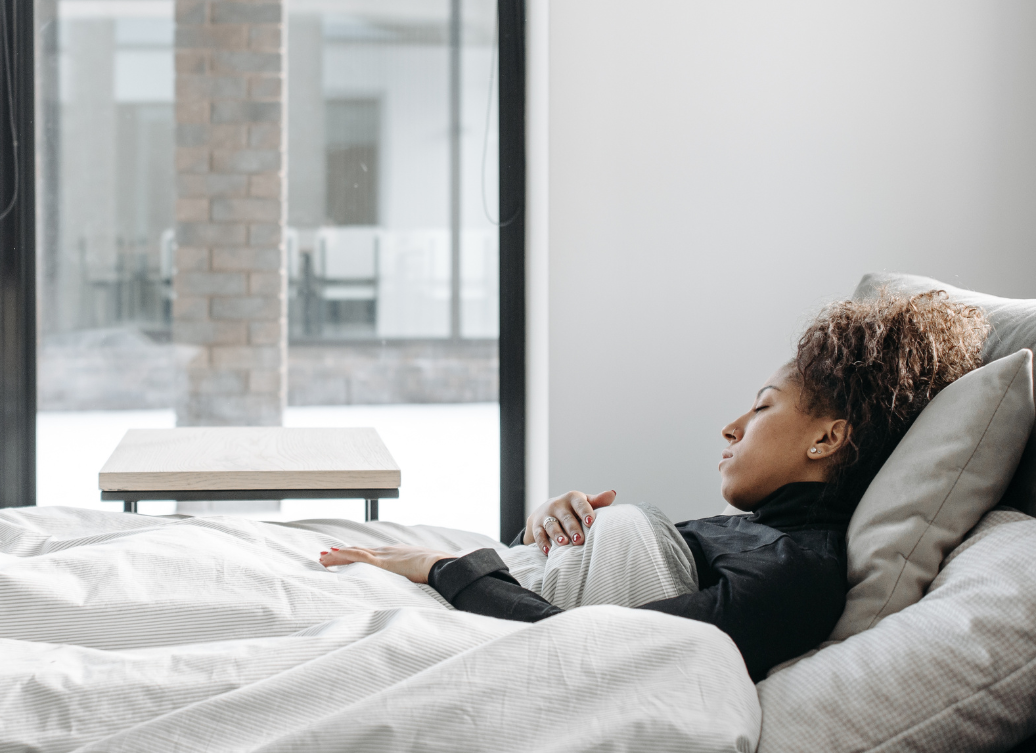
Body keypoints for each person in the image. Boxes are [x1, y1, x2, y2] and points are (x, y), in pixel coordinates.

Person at [321, 291, 989, 680]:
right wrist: (550, 527)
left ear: (825, 439)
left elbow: (583, 641)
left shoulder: (796, 574)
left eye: (761, 406)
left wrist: (445, 567)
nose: (732, 427)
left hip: (460, 603)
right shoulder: (761, 536)